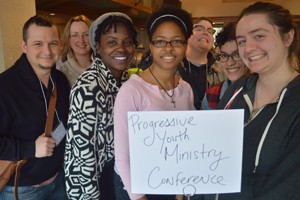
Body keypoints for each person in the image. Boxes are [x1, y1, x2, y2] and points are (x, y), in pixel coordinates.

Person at [202, 1, 300, 199]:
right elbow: (208, 150)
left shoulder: (294, 104)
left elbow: (288, 188)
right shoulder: (238, 90)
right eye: (242, 41)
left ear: (288, 36)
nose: (248, 48)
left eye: (259, 36)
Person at [114, 6, 194, 200]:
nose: (168, 48)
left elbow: (188, 145)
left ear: (185, 45)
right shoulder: (132, 91)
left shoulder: (185, 89)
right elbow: (123, 157)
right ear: (150, 45)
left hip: (175, 185)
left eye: (176, 41)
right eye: (160, 41)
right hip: (137, 188)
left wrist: (180, 192)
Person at [64, 12, 138, 200]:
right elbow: (81, 159)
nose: (121, 49)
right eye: (112, 42)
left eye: (127, 42)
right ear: (97, 46)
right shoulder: (88, 88)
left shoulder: (125, 80)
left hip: (120, 177)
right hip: (99, 184)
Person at [0, 15, 70, 199]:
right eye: (38, 43)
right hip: (22, 189)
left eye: (53, 43)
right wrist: (30, 148)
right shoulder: (5, 86)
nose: (47, 50)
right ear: (24, 46)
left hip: (59, 180)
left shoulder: (61, 80)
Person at [178, 17, 224, 110]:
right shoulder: (172, 67)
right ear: (187, 35)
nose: (205, 33)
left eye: (210, 31)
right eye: (199, 29)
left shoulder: (223, 69)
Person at [202, 22, 249, 110]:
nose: (230, 63)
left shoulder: (263, 92)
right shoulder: (211, 95)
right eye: (224, 56)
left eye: (236, 55)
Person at [56, 15, 92, 86]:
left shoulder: (104, 64)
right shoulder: (60, 68)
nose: (81, 40)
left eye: (86, 34)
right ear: (68, 39)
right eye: (75, 35)